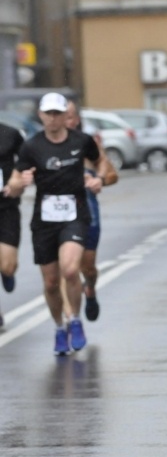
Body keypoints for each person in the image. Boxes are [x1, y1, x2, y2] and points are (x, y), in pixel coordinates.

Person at [8, 93, 107, 354]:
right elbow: (14, 185)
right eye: (48, 113)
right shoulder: (31, 147)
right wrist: (21, 182)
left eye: (57, 113)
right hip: (44, 220)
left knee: (71, 270)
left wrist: (100, 179)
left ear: (66, 115)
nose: (52, 118)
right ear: (40, 116)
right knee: (51, 282)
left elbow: (101, 162)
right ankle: (59, 327)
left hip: (75, 215)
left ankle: (75, 320)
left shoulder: (81, 141)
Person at [61, 100, 119, 321]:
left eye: (67, 116)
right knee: (66, 268)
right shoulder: (43, 145)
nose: (61, 120)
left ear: (75, 119)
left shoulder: (88, 145)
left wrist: (98, 180)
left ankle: (91, 289)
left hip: (87, 213)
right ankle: (70, 319)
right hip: (57, 216)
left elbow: (112, 175)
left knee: (88, 267)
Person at [0, 122, 25, 326]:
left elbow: (27, 160)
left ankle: (6, 273)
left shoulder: (11, 133)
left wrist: (18, 181)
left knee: (8, 266)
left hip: (7, 207)